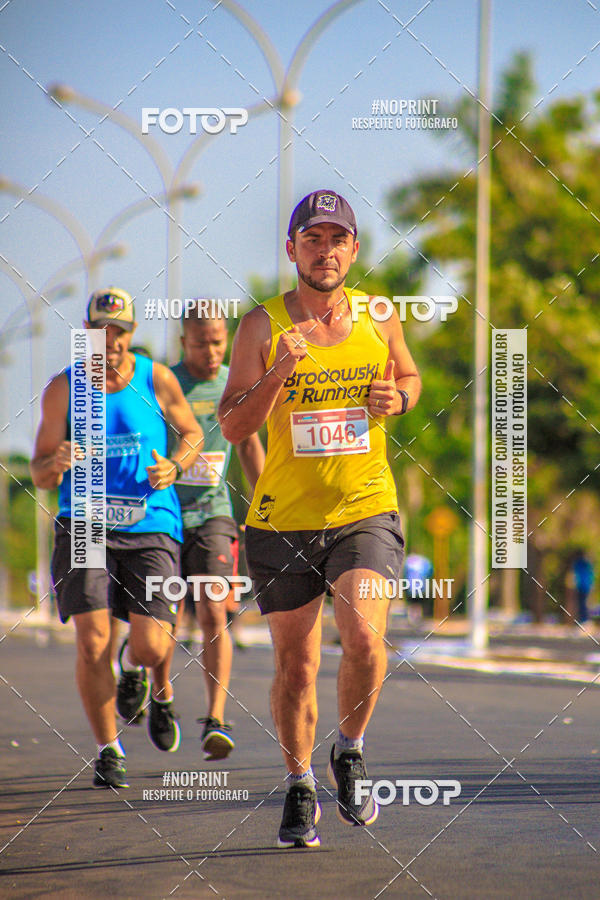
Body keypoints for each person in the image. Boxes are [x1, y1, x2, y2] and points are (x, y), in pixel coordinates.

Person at [218, 190, 421, 847]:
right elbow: (232, 423)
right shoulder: (260, 326)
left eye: (338, 239)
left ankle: (351, 748)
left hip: (364, 506)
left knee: (364, 637)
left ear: (353, 250)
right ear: (292, 249)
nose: (326, 250)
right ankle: (300, 783)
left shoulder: (380, 315)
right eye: (313, 238)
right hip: (282, 520)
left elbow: (410, 380)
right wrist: (280, 367)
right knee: (296, 666)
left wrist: (399, 396)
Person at [30, 288, 203, 789]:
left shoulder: (156, 378)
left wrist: (175, 464)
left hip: (152, 525)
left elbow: (190, 433)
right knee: (92, 641)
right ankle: (109, 749)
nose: (111, 342)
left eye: (120, 332)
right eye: (101, 332)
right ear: (87, 332)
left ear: (132, 334)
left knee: (152, 644)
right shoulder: (64, 389)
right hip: (83, 524)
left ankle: (135, 667)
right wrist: (53, 462)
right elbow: (41, 472)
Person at [117, 305, 264, 760]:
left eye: (220, 341)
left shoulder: (232, 385)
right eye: (203, 342)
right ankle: (161, 696)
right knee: (167, 619)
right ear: (185, 342)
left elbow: (248, 446)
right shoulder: (163, 382)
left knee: (214, 611)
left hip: (213, 514)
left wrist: (265, 508)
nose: (213, 351)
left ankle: (216, 719)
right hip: (162, 519)